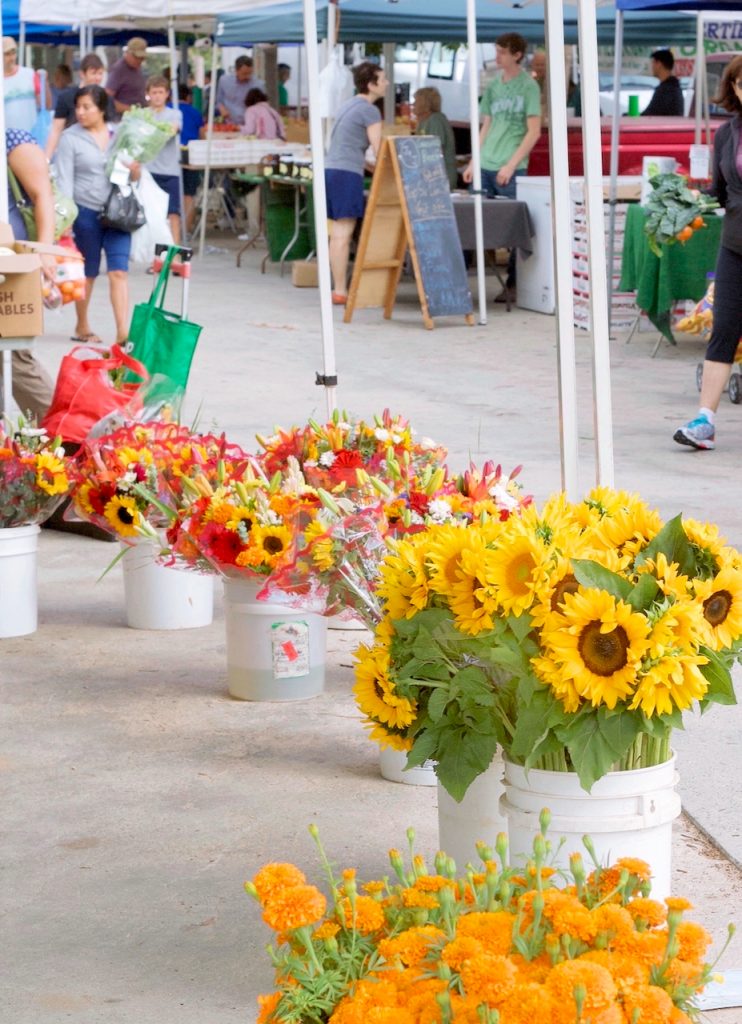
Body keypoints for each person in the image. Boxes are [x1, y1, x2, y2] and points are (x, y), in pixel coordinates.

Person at [674, 56, 742, 451]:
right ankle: (705, 422)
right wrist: (689, 200)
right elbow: (719, 190)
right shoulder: (726, 134)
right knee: (723, 330)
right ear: (733, 89)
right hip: (734, 247)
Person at [53, 84, 141, 345]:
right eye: (77, 107)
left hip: (118, 212)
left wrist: (135, 169)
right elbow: (64, 181)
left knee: (119, 271)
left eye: (86, 107)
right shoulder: (70, 138)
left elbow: (135, 176)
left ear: (101, 109)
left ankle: (122, 331)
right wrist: (66, 219)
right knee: (88, 271)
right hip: (86, 213)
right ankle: (82, 324)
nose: (80, 112)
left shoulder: (120, 134)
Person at [463, 32, 541, 303]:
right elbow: (487, 124)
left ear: (516, 55)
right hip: (486, 163)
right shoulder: (494, 85)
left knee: (514, 228)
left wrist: (511, 164)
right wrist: (474, 159)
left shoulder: (529, 87)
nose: (497, 57)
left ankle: (513, 283)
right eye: (496, 51)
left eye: (502, 52)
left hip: (512, 166)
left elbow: (533, 132)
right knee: (471, 222)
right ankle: (462, 280)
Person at [324, 61, 387, 306]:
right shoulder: (370, 110)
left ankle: (338, 287)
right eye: (383, 79)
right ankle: (340, 290)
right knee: (343, 233)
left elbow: (349, 146)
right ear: (371, 84)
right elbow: (379, 148)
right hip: (346, 173)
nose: (387, 83)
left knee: (336, 233)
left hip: (332, 169)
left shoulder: (348, 105)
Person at [4, 128, 56, 421]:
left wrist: (44, 250)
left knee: (15, 354)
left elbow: (42, 194)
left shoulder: (12, 139)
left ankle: (67, 433)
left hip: (13, 265)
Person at [45, 54, 114, 159]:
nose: (97, 78)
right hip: (71, 150)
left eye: (100, 73)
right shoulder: (66, 97)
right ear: (82, 74)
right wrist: (47, 159)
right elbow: (56, 129)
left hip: (98, 151)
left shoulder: (107, 99)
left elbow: (110, 128)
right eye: (93, 73)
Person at [145, 75, 183, 245]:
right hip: (149, 171)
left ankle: (175, 255)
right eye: (154, 92)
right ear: (148, 94)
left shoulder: (174, 114)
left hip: (170, 170)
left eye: (161, 92)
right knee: (153, 216)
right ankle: (157, 257)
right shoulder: (143, 115)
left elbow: (172, 130)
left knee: (173, 214)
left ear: (167, 94)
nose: (158, 96)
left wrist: (151, 132)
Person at [173, 83, 204, 234]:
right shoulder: (195, 112)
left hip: (170, 156)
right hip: (192, 156)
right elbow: (203, 136)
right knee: (189, 195)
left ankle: (173, 232)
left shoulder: (167, 110)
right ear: (188, 97)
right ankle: (187, 232)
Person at [3, 36, 50, 132]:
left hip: (31, 136)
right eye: (7, 54)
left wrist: (44, 82)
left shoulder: (30, 74)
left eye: (14, 53)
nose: (12, 57)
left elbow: (46, 104)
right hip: (7, 139)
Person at [413, 87, 457, 190]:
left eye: (416, 101)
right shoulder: (423, 121)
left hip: (440, 176)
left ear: (424, 103)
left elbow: (435, 149)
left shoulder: (435, 120)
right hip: (430, 176)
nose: (413, 104)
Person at [216, 56, 266, 126]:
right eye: (244, 74)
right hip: (229, 124)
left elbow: (263, 106)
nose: (248, 76)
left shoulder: (259, 85)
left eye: (250, 73)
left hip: (251, 125)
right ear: (236, 70)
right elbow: (219, 100)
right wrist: (222, 108)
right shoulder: (224, 81)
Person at [105, 37, 148, 119]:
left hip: (139, 118)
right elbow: (107, 99)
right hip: (122, 119)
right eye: (137, 57)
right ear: (128, 53)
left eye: (142, 58)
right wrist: (130, 110)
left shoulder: (138, 68)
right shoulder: (118, 70)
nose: (139, 61)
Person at [642, 49, 684, 117]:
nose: (652, 67)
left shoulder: (665, 90)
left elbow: (649, 114)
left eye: (653, 63)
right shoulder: (675, 87)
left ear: (659, 64)